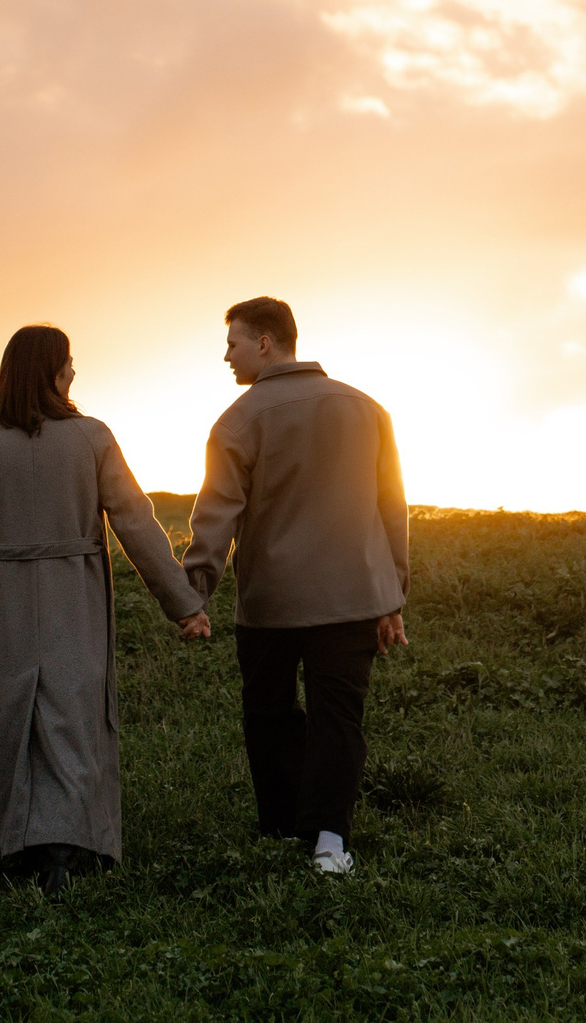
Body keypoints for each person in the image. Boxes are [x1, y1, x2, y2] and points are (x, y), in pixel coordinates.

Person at [0, 324, 210, 892]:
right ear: (51, 371)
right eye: (68, 362)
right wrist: (183, 603)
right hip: (72, 594)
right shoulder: (91, 437)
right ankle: (60, 850)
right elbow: (136, 522)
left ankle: (3, 846)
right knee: (69, 712)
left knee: (4, 717)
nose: (75, 372)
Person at [182, 297, 409, 875]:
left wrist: (193, 594)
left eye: (232, 342)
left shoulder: (238, 421)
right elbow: (392, 510)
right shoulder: (367, 409)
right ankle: (330, 841)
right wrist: (393, 596)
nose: (225, 355)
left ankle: (283, 827)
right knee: (340, 716)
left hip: (272, 606)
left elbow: (217, 517)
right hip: (356, 597)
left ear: (265, 342)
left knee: (269, 713)